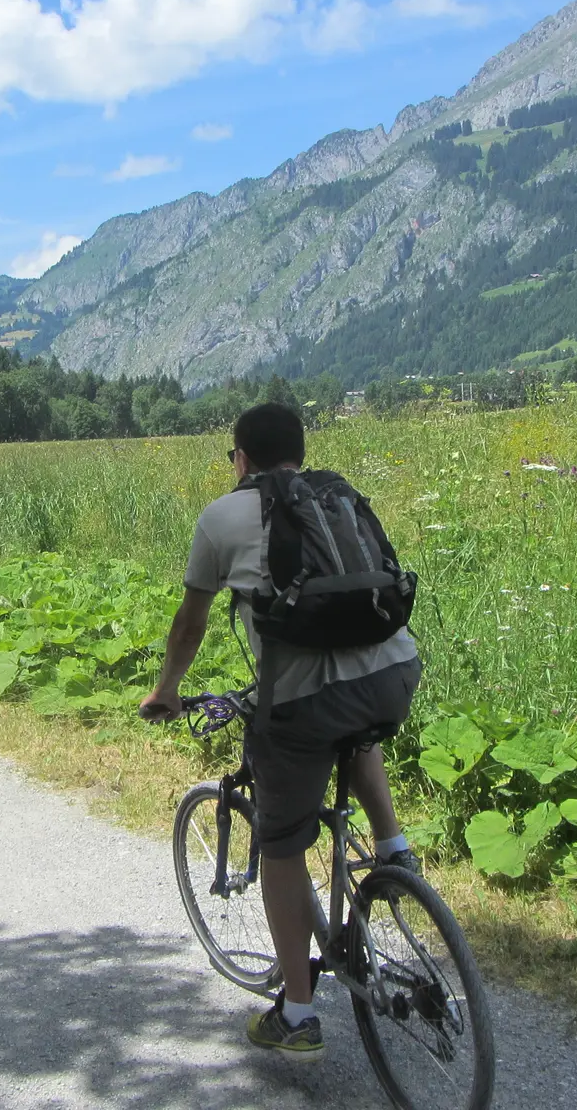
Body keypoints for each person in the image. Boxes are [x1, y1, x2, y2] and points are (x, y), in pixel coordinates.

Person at [139, 402, 422, 1062]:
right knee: (355, 725)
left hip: (302, 705)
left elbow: (190, 626)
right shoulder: (339, 494)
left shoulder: (223, 517)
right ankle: (394, 846)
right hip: (395, 674)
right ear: (300, 450)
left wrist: (166, 692)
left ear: (240, 457)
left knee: (284, 841)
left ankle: (296, 1012)